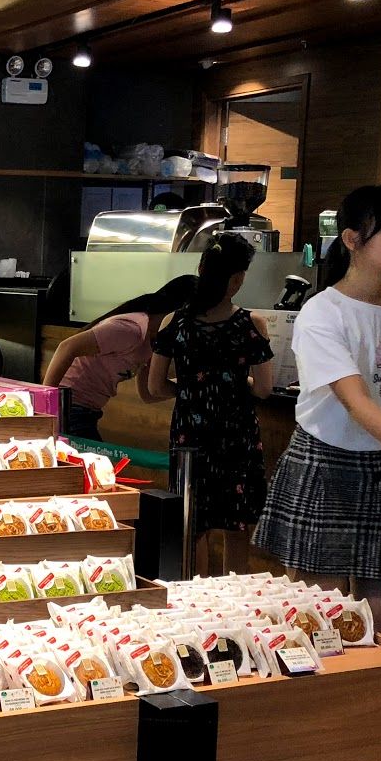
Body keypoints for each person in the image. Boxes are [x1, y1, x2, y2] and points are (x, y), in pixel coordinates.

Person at [252, 185, 381, 643]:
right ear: (353, 239)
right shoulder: (322, 311)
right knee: (320, 620)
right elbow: (355, 402)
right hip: (326, 464)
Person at [146, 235, 275, 573]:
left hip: (189, 435)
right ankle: (233, 597)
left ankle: (197, 595)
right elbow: (264, 389)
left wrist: (192, 389)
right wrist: (231, 383)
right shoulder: (252, 324)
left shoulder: (175, 321)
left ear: (202, 268)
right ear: (237, 279)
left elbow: (155, 386)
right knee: (236, 528)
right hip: (237, 434)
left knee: (192, 523)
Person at [43, 276, 197, 439]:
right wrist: (45, 404)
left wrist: (194, 384)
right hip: (70, 407)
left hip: (88, 411)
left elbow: (149, 393)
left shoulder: (153, 340)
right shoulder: (131, 330)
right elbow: (66, 347)